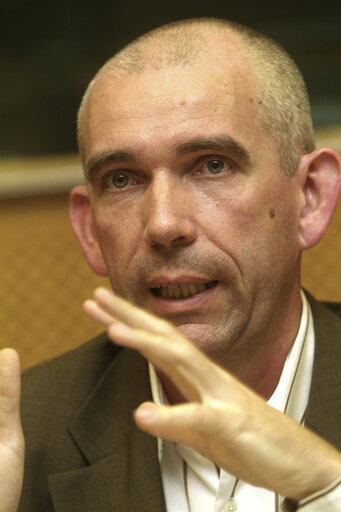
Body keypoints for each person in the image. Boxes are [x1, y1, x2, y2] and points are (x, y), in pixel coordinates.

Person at [0, 17, 341, 512]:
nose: (162, 224)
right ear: (91, 231)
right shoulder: (26, 437)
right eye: (122, 180)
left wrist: (329, 488)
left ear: (309, 198)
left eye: (212, 165)